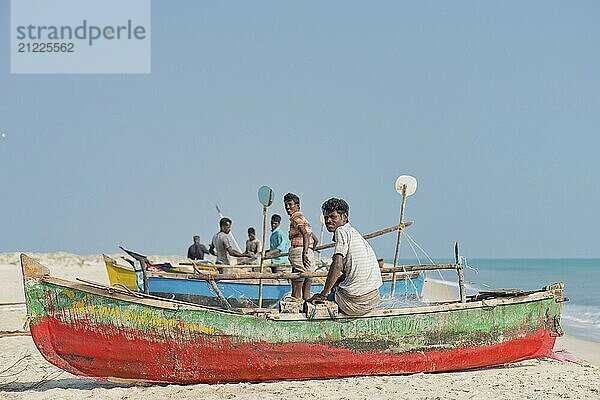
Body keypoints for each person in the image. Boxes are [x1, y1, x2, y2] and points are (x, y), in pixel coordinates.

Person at [308, 198, 382, 316]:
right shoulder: (352, 232)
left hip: (356, 302)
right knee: (335, 287)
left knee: (310, 303)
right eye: (326, 217)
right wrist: (336, 282)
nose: (328, 221)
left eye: (333, 217)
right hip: (373, 298)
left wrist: (323, 294)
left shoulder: (341, 231)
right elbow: (348, 269)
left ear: (344, 217)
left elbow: (337, 265)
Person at [284, 193, 319, 300]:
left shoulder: (296, 219)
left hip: (299, 252)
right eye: (285, 205)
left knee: (296, 292)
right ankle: (306, 308)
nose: (287, 207)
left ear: (297, 206)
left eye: (290, 204)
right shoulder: (304, 219)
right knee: (307, 287)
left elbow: (304, 233)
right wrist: (309, 250)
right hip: (308, 252)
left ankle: (296, 309)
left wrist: (304, 253)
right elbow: (315, 239)